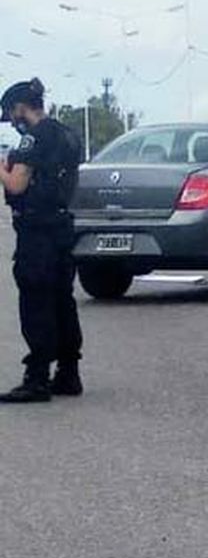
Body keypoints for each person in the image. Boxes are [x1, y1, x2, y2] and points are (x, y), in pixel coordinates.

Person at [0, 78, 84, 404]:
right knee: (63, 298)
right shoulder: (67, 134)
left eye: (11, 113)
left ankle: (36, 378)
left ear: (21, 107)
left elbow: (17, 184)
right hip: (62, 224)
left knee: (36, 300)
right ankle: (68, 372)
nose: (12, 120)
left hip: (36, 230)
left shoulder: (33, 139)